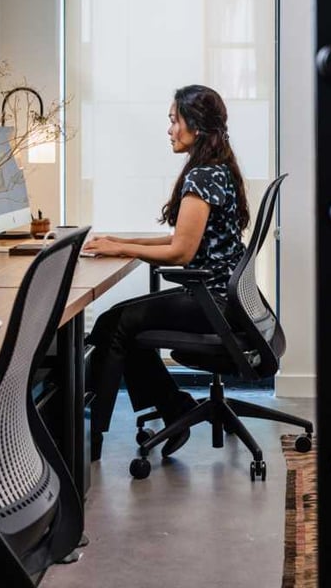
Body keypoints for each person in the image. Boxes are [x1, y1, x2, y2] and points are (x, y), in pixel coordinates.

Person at [83, 84, 250, 457]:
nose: (170, 129)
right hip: (223, 295)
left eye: (175, 120)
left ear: (196, 125)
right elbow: (182, 238)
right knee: (122, 323)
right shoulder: (218, 168)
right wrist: (124, 241)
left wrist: (122, 247)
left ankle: (89, 438)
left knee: (116, 325)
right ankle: (173, 406)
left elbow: (181, 250)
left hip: (213, 299)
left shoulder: (202, 177)